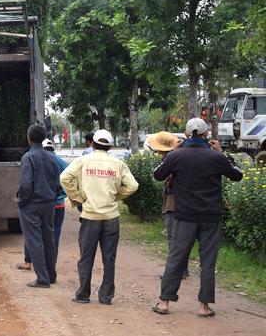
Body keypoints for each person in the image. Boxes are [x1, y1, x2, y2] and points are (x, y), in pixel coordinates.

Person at [152, 118, 243, 317]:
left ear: (185, 135)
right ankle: (204, 307)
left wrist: (172, 152)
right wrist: (222, 153)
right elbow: (238, 175)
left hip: (184, 217)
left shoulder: (177, 156)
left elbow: (158, 175)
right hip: (211, 218)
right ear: (206, 135)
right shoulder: (216, 157)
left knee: (176, 258)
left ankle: (164, 302)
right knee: (208, 262)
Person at [61, 129, 139, 304]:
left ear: (93, 144)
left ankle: (82, 294)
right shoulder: (118, 164)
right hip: (111, 217)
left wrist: (77, 199)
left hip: (90, 216)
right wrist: (117, 196)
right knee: (109, 258)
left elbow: (64, 178)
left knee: (86, 257)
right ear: (110, 146)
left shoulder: (83, 160)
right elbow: (133, 185)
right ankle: (106, 297)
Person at [15, 125, 62, 288]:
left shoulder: (28, 157)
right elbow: (58, 184)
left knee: (34, 240)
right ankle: (51, 276)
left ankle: (42, 278)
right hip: (48, 204)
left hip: (31, 205)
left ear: (29, 138)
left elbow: (26, 184)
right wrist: (52, 199)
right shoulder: (51, 157)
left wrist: (21, 202)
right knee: (48, 239)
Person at [146, 131, 189, 279]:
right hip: (183, 202)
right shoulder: (182, 157)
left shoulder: (171, 160)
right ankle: (183, 269)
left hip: (173, 202)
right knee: (181, 237)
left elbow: (163, 177)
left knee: (173, 238)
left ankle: (175, 270)